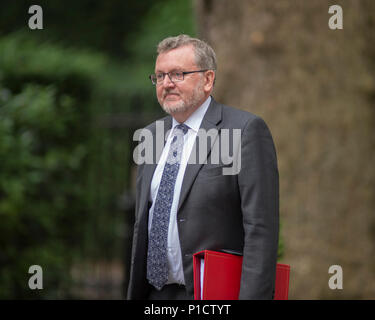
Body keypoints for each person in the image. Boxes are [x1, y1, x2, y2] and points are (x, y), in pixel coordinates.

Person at [127, 34, 279, 300]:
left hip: (212, 294)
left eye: (177, 74)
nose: (166, 84)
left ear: (208, 79)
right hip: (155, 294)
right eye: (159, 76)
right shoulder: (150, 136)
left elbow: (261, 229)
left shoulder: (243, 131)